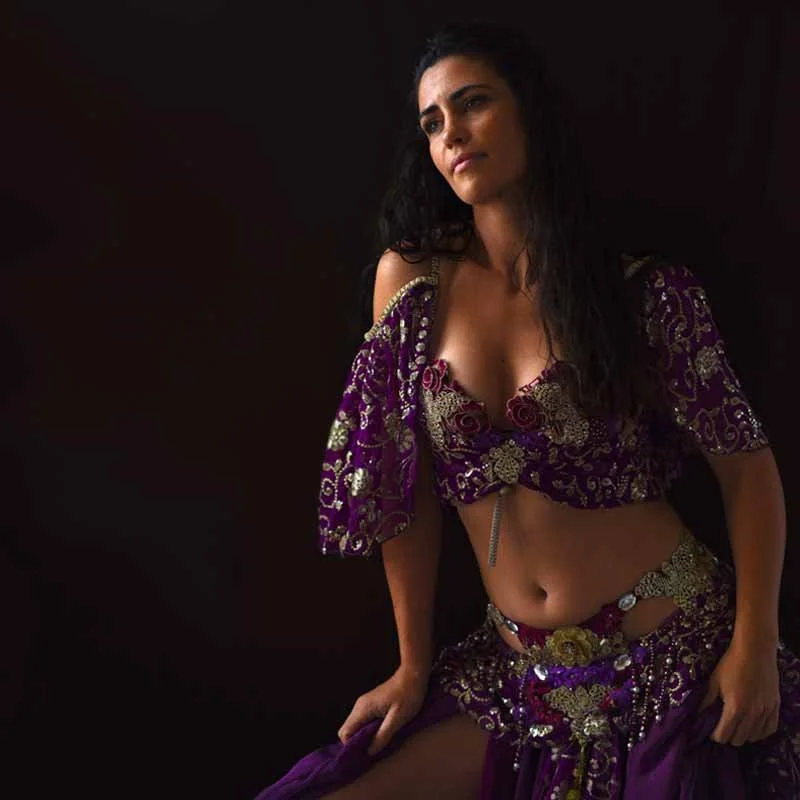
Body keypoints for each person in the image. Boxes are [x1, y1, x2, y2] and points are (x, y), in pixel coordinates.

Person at [257, 20, 799, 799]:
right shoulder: (411, 284)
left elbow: (747, 472)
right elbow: (404, 490)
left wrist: (755, 644)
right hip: (518, 679)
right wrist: (412, 664)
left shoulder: (641, 292)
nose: (451, 133)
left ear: (531, 112)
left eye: (473, 103)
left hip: (679, 657)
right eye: (432, 122)